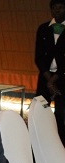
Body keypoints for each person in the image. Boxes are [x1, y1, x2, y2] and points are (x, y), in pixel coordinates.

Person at [35, 0, 65, 146]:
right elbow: (38, 57)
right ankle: (40, 141)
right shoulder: (43, 28)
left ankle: (59, 144)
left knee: (61, 114)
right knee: (40, 109)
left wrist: (54, 80)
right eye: (54, 8)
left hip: (62, 78)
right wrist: (49, 79)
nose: (57, 11)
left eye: (60, 7)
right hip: (45, 77)